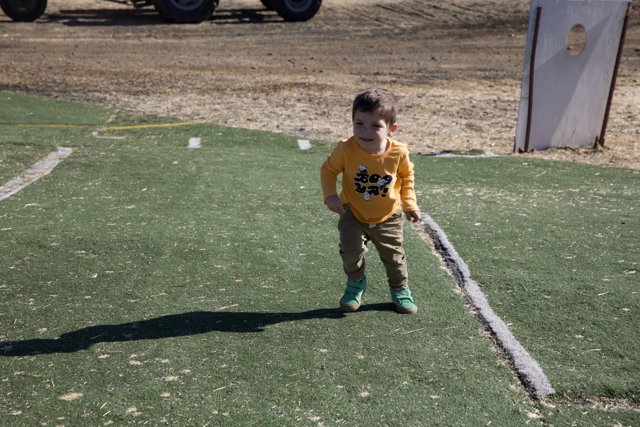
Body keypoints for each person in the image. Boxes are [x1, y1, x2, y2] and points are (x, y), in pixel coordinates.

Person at [320, 88, 422, 314]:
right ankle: (356, 283)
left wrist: (410, 204)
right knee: (350, 252)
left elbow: (407, 177)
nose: (365, 131)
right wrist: (330, 196)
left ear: (391, 129)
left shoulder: (398, 152)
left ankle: (400, 288)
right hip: (353, 213)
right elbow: (328, 170)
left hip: (389, 217)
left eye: (375, 126)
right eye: (359, 123)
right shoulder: (346, 149)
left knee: (394, 258)